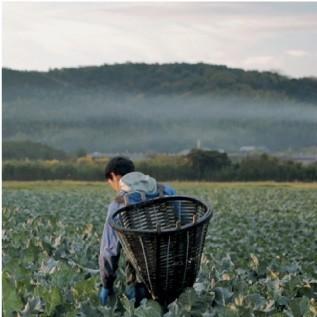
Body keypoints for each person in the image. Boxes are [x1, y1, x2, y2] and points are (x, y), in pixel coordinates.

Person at [99, 156, 176, 306]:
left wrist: (106, 285)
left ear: (114, 176)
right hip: (173, 274)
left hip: (140, 280)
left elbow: (109, 251)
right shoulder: (167, 191)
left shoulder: (119, 204)